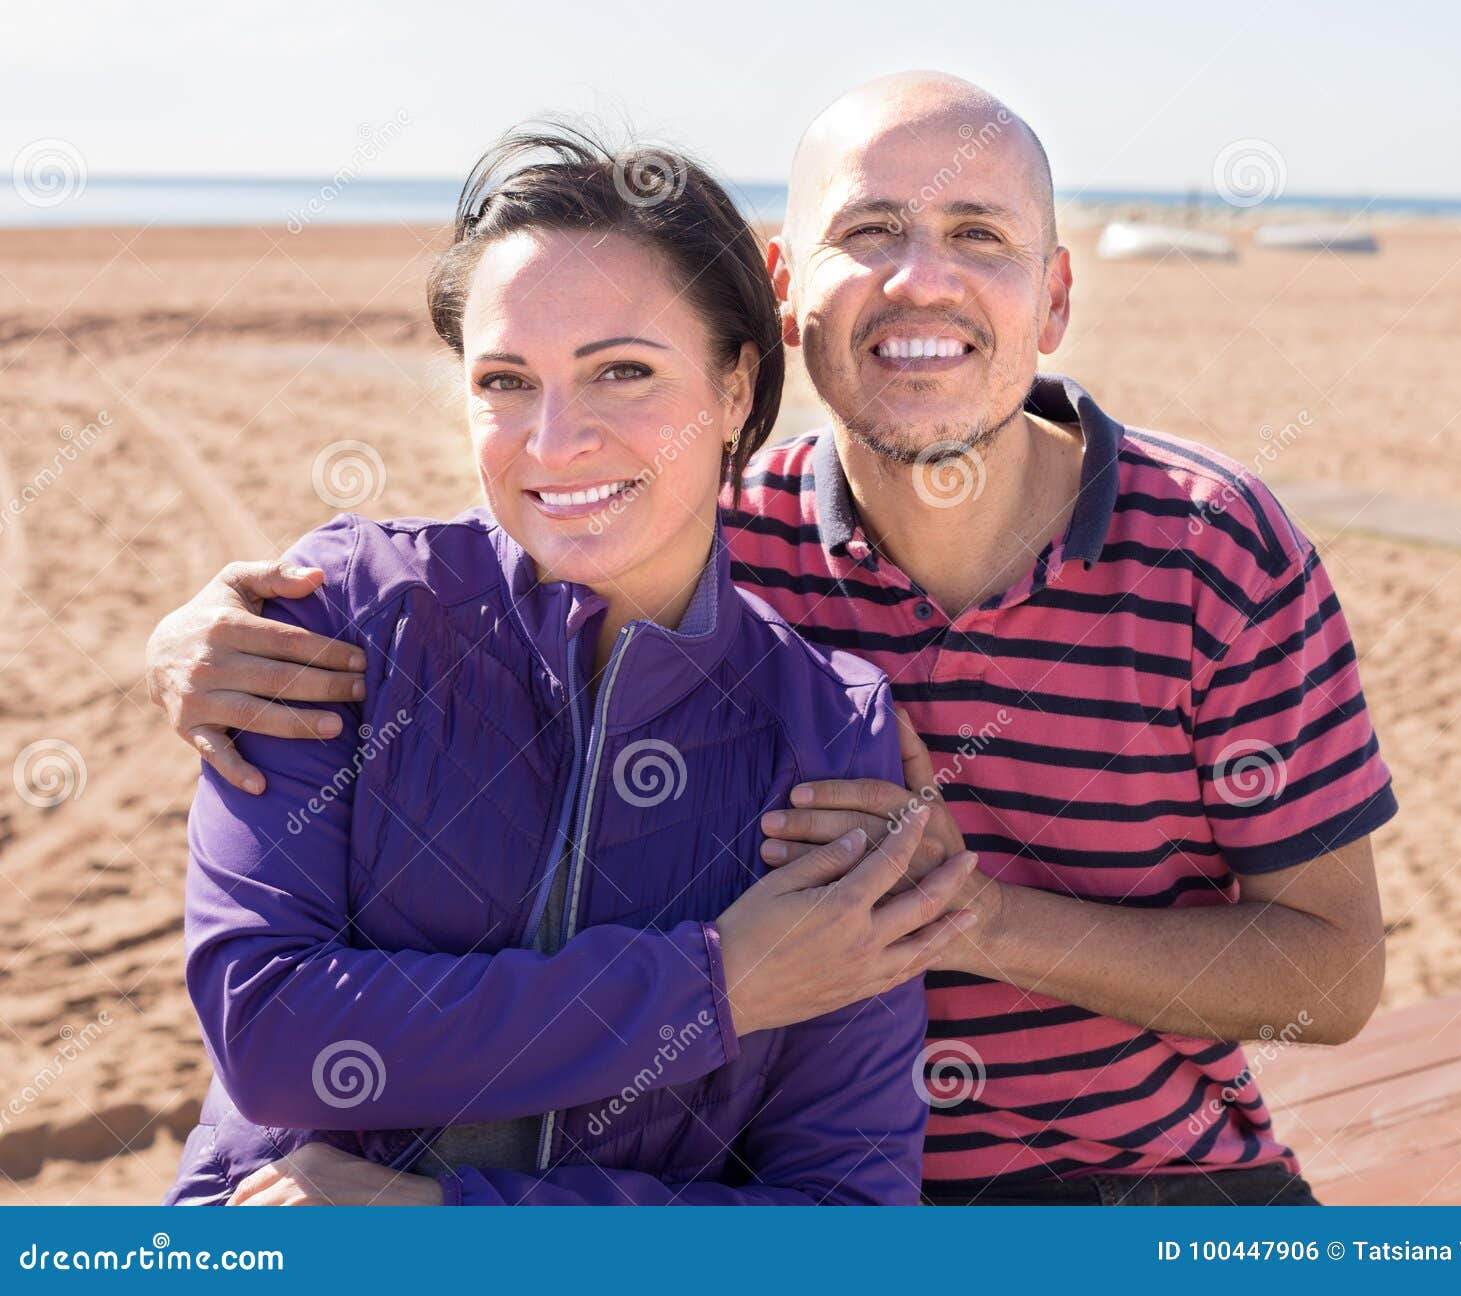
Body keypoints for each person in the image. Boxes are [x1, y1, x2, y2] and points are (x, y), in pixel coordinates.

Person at [148, 73, 1397, 1206]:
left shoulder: (1213, 546)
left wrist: (956, 914)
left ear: (1054, 295)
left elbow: (1333, 980)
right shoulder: (693, 525)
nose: (920, 280)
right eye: (870, 232)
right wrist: (196, 639)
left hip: (1143, 1184)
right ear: (788, 289)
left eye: (979, 237)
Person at [158, 125, 979, 1207]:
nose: (553, 441)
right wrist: (712, 985)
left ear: (736, 388)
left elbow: (845, 1218)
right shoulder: (344, 616)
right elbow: (270, 1032)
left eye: (622, 371)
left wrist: (455, 1227)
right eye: (506, 380)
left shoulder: (829, 730)